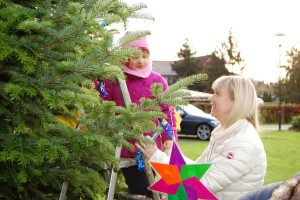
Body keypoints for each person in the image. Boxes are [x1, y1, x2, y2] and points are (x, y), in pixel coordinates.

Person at [137, 75, 267, 200]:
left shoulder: (242, 143)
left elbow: (198, 186)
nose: (211, 97)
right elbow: (197, 169)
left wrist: (155, 156)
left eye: (217, 93)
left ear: (237, 101)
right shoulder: (225, 134)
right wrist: (169, 152)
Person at [94, 31, 177, 197]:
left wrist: (169, 137)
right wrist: (97, 81)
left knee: (147, 185)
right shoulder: (116, 79)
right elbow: (103, 100)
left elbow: (167, 111)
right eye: (135, 56)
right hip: (123, 144)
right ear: (125, 58)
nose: (141, 61)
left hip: (148, 145)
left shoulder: (157, 80)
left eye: (144, 56)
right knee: (135, 184)